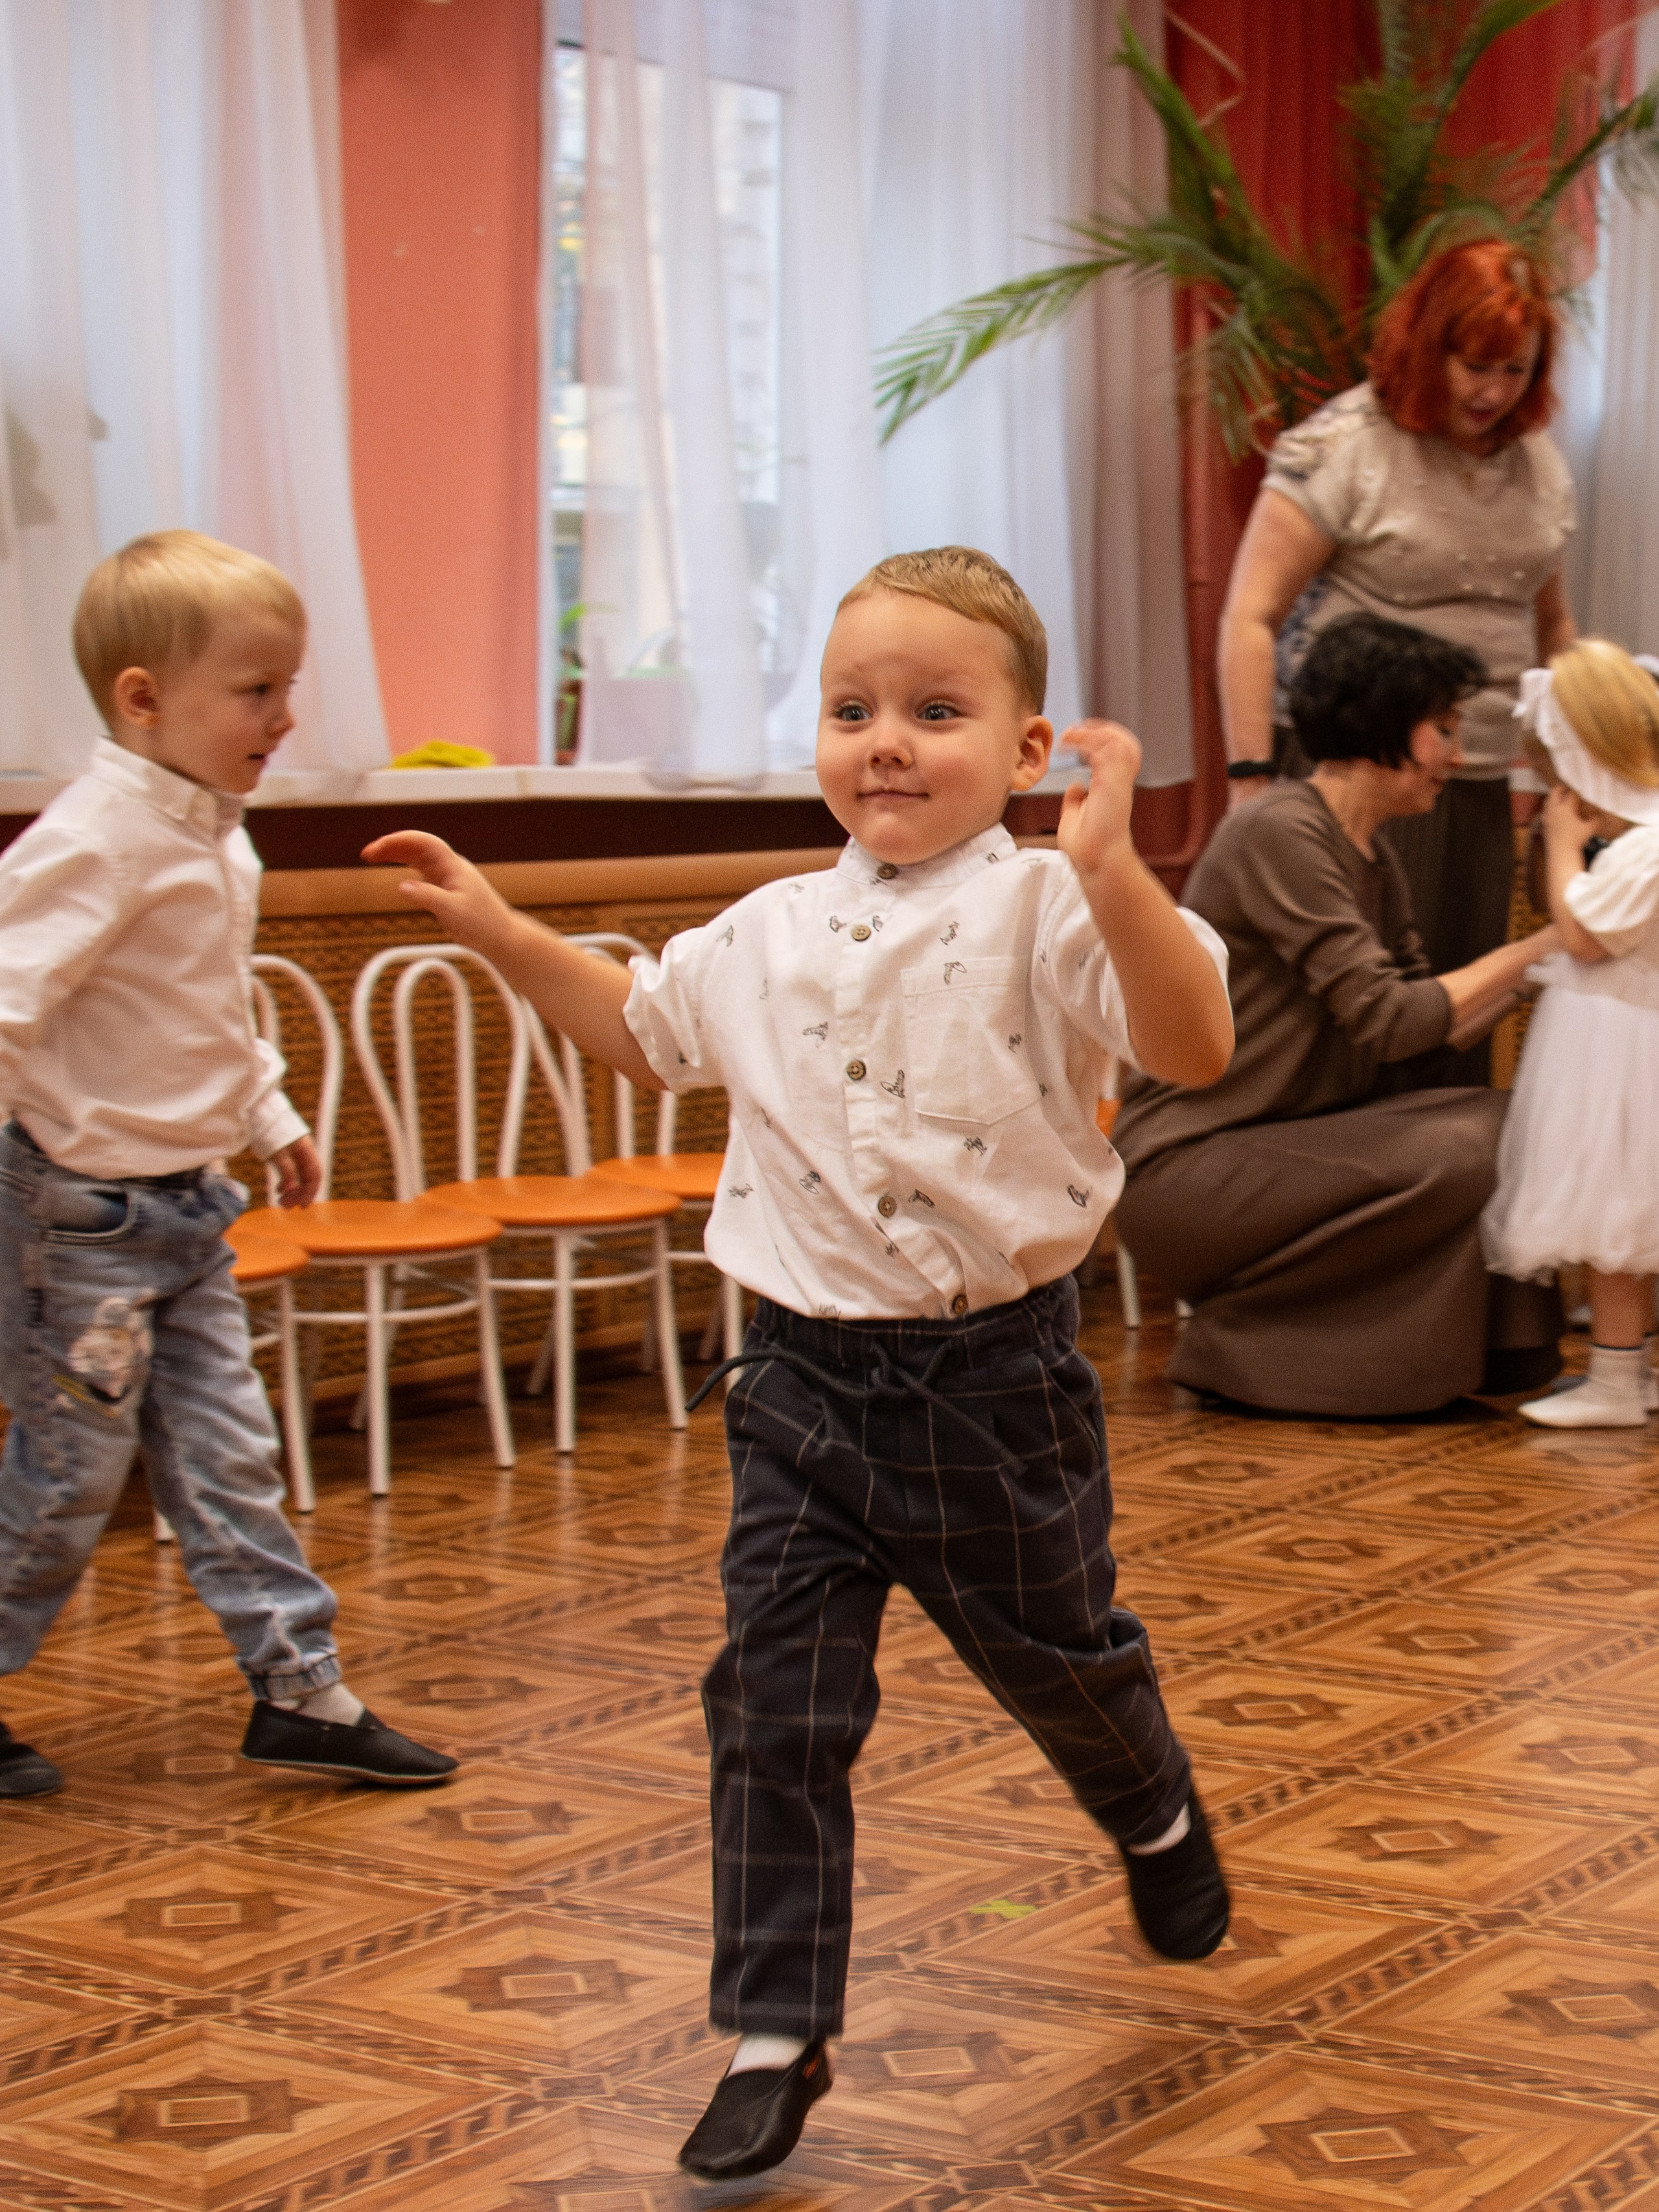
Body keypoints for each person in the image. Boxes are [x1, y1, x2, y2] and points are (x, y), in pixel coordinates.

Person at [364, 545, 1237, 2182]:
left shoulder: (1050, 903)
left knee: (1058, 1653)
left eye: (934, 709)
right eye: (853, 709)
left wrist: (1114, 873)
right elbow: (638, 1027)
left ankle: (1151, 1807)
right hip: (795, 1391)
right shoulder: (762, 929)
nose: (885, 741)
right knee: (774, 1708)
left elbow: (1192, 1044)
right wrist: (495, 927)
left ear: (1027, 746)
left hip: (991, 1387)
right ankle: (777, 2027)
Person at [0, 530, 458, 1801]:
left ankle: (300, 1687)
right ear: (144, 697)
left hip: (188, 1211)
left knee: (229, 1455)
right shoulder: (98, 836)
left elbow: (207, 1004)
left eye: (286, 685)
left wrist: (266, 1110)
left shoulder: (216, 835)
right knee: (69, 1476)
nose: (284, 713)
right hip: (79, 1226)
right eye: (256, 689)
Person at [1113, 611, 1563, 1418]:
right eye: (1443, 729)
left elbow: (1421, 1029)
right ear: (1382, 724)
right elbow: (1392, 1020)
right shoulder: (1280, 830)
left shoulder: (1370, 851)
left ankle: (1493, 1358)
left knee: (1515, 1118)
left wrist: (1547, 970)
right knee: (1475, 1141)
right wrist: (1540, 946)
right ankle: (1250, 1355)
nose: (1456, 757)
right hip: (1186, 1169)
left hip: (1281, 1146)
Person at [1218, 240, 1577, 1069]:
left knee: (1465, 991)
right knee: (1365, 1011)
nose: (1492, 392)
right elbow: (1250, 616)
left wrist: (1579, 770)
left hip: (1478, 772)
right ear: (1428, 345)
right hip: (1363, 767)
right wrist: (1249, 780)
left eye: (1515, 370)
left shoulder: (1541, 467)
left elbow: (1552, 629)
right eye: (1473, 364)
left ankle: (1440, 1170)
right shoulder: (1345, 443)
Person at [1482, 640, 1659, 1427]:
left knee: (1614, 1222)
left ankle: (1617, 1384)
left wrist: (1559, 844)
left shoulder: (1647, 844)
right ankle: (1636, 1370)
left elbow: (1582, 933)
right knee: (1628, 1224)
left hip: (1620, 1053)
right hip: (1615, 1039)